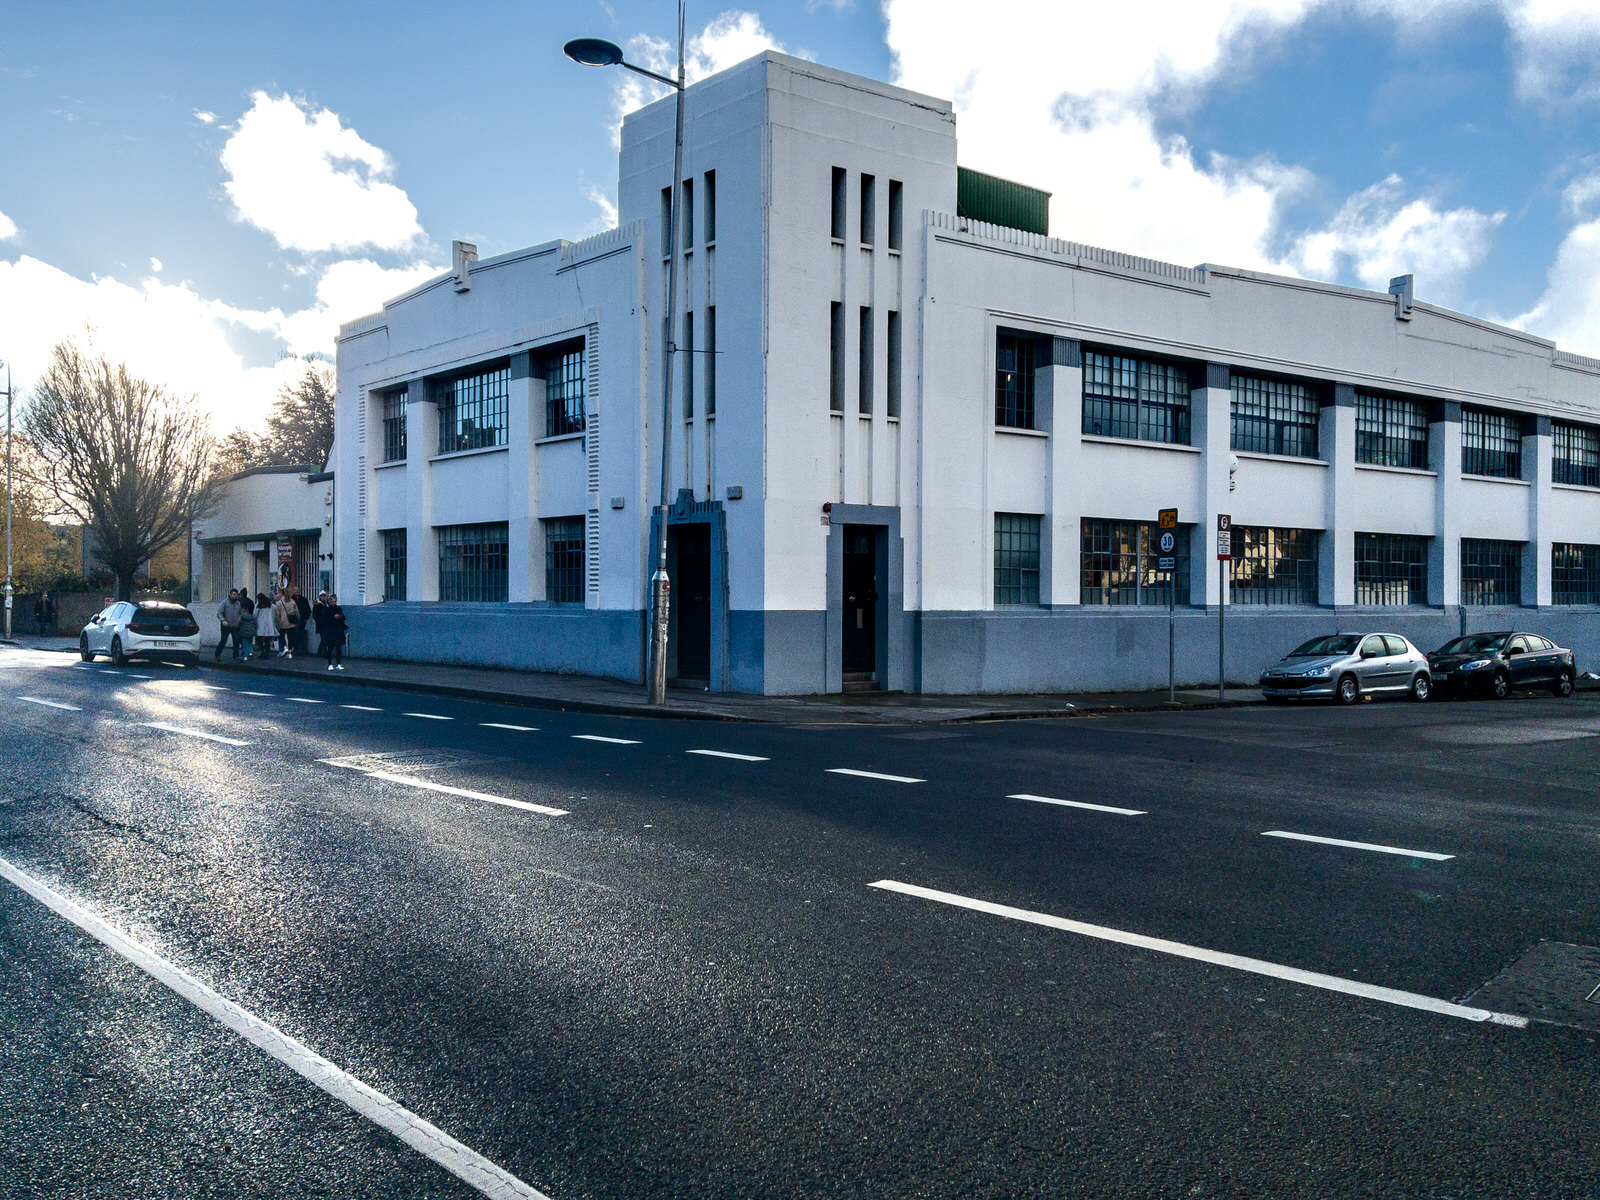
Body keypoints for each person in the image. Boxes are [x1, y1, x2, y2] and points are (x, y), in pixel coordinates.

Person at [215, 589, 243, 661]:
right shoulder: (224, 602)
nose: (235, 596)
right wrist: (223, 620)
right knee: (223, 640)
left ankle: (235, 656)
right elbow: (219, 613)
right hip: (226, 625)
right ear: (230, 594)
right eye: (233, 594)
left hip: (235, 625)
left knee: (236, 641)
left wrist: (239, 620)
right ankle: (217, 655)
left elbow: (240, 613)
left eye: (236, 594)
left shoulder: (238, 603)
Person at [322, 594, 348, 670]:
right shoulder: (326, 610)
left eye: (335, 601)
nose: (334, 603)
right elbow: (325, 620)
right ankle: (329, 664)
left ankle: (338, 663)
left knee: (338, 648)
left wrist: (340, 617)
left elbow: (343, 617)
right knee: (330, 648)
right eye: (332, 601)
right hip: (330, 631)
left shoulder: (339, 608)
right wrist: (333, 617)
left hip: (338, 630)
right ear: (329, 602)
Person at [273, 589, 296, 658]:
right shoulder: (292, 602)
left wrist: (277, 622)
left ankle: (285, 648)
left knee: (281, 636)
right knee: (290, 637)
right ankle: (290, 652)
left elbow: (277, 614)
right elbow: (296, 612)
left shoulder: (279, 603)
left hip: (282, 622)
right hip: (291, 622)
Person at [254, 592, 277, 660]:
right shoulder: (271, 605)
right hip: (269, 624)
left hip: (260, 624)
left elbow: (255, 614)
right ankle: (266, 653)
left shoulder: (258, 605)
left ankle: (262, 651)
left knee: (259, 639)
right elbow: (274, 614)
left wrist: (254, 622)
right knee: (267, 640)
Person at [292, 586, 312, 656]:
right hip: (293, 621)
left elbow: (308, 610)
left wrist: (305, 618)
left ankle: (299, 649)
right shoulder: (291, 600)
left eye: (297, 591)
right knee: (294, 635)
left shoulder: (304, 600)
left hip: (302, 620)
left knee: (300, 634)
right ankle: (295, 649)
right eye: (295, 591)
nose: (296, 592)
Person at [237, 592, 257, 661]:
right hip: (251, 632)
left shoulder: (242, 617)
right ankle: (250, 652)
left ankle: (245, 655)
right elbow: (255, 623)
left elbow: (239, 623)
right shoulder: (252, 617)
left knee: (244, 643)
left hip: (243, 632)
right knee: (250, 642)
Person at [311, 592, 330, 658]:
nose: (323, 597)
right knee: (324, 638)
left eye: (324, 596)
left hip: (326, 624)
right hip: (320, 624)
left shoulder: (326, 604)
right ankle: (325, 652)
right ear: (320, 597)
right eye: (322, 596)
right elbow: (314, 615)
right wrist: (319, 620)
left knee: (324, 638)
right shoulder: (317, 605)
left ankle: (320, 650)